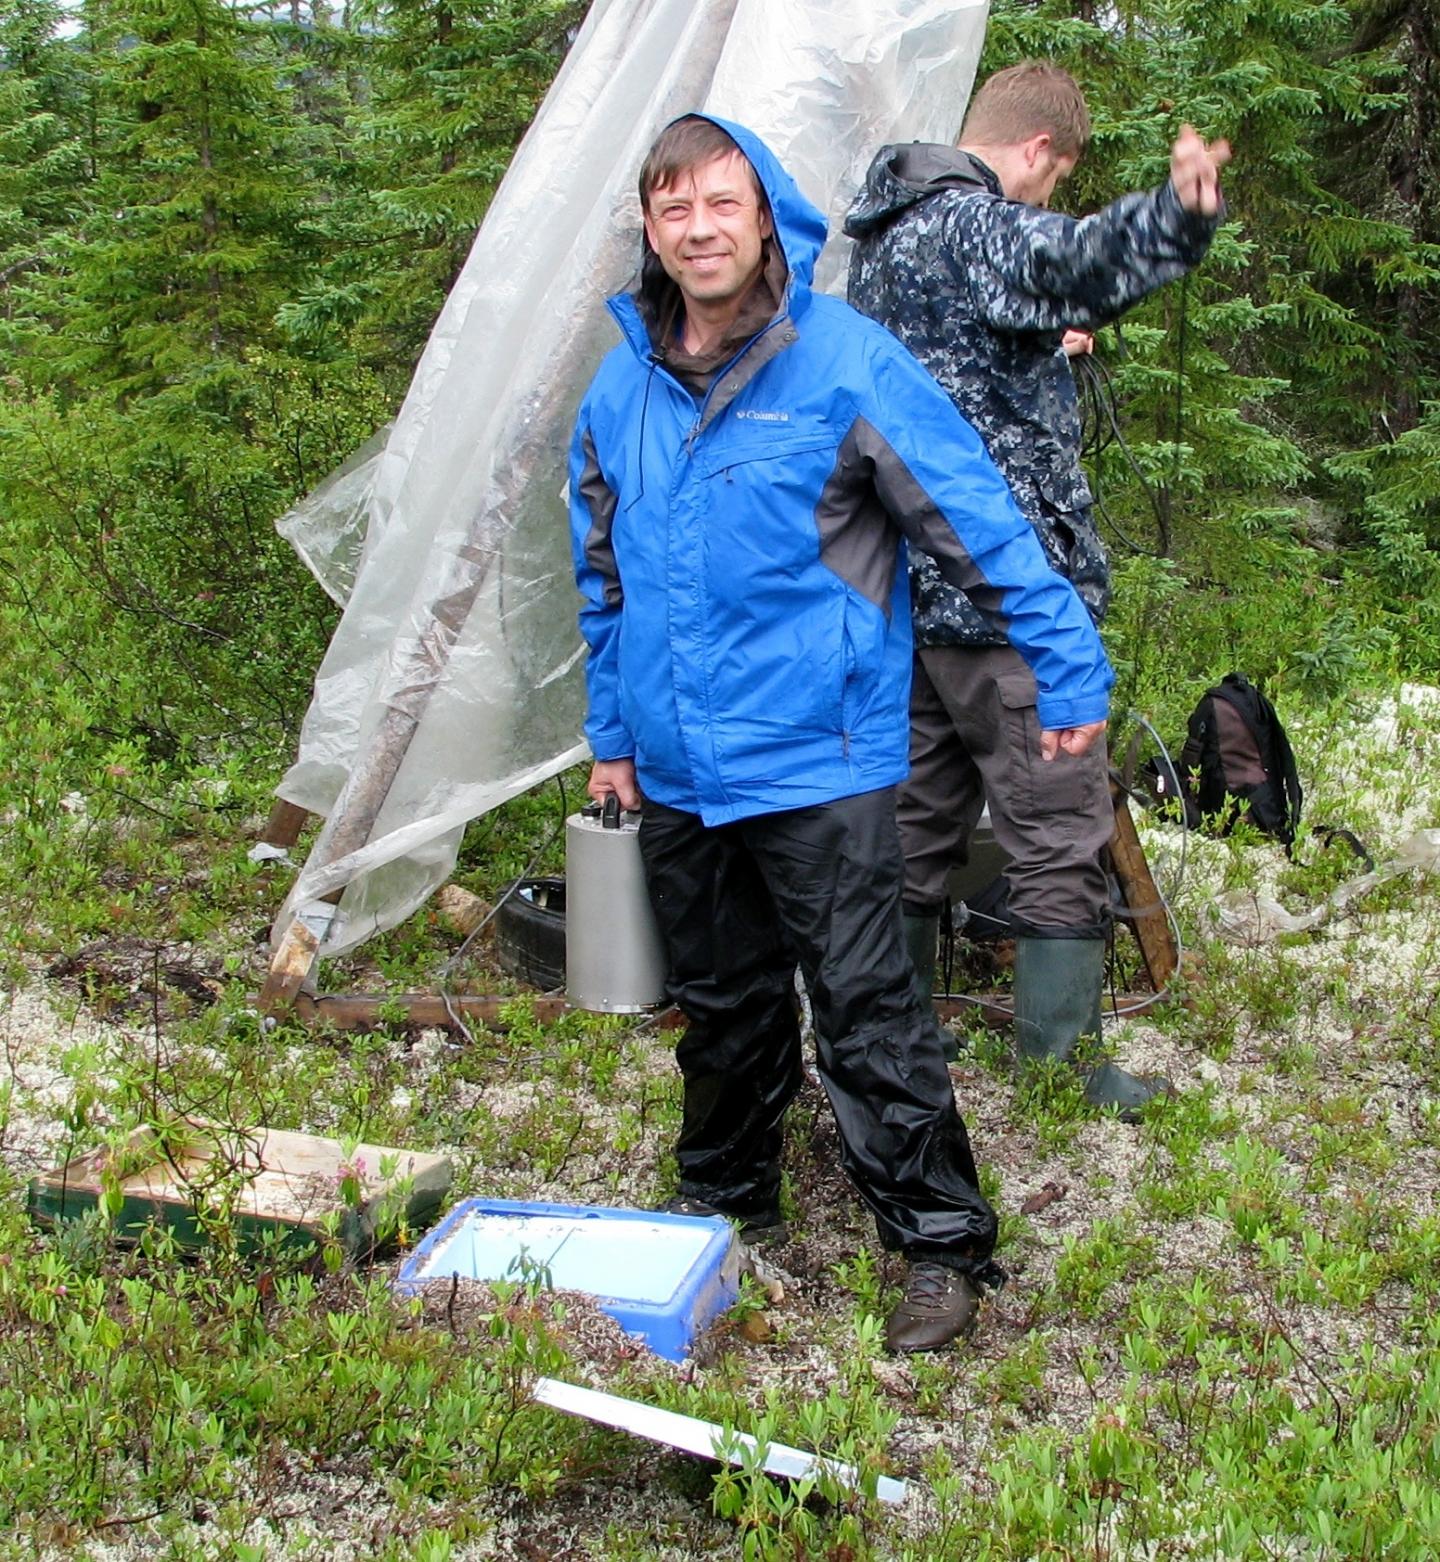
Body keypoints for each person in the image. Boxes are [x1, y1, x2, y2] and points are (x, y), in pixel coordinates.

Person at [569, 113, 1112, 1352]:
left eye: (722, 202)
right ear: (651, 229)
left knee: (867, 1005)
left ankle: (936, 1242)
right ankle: (727, 1200)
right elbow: (601, 574)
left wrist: (1068, 669)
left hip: (822, 755)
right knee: (721, 1001)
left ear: (766, 214)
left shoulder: (847, 361)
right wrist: (613, 732)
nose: (699, 228)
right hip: (678, 767)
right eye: (673, 208)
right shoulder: (620, 386)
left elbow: (978, 522)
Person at [845, 62, 1230, 1120]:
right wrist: (1174, 215)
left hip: (908, 597)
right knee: (1058, 828)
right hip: (1006, 605)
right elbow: (1065, 258)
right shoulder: (975, 222)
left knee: (915, 826)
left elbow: (944, 374)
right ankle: (1062, 1071)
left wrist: (1036, 346)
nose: (1046, 204)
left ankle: (898, 1036)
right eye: (1053, 186)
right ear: (1040, 154)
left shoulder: (883, 245)